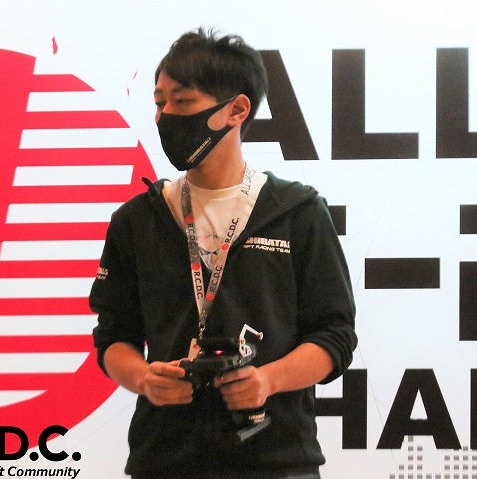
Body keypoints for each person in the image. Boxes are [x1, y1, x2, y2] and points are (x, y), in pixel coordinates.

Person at [90, 27, 357, 479]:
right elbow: (113, 336)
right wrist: (143, 379)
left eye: (182, 101)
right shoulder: (138, 219)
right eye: (159, 102)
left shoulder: (298, 211)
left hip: (277, 459)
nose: (165, 116)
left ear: (236, 109)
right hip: (165, 459)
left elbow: (335, 335)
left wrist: (267, 380)